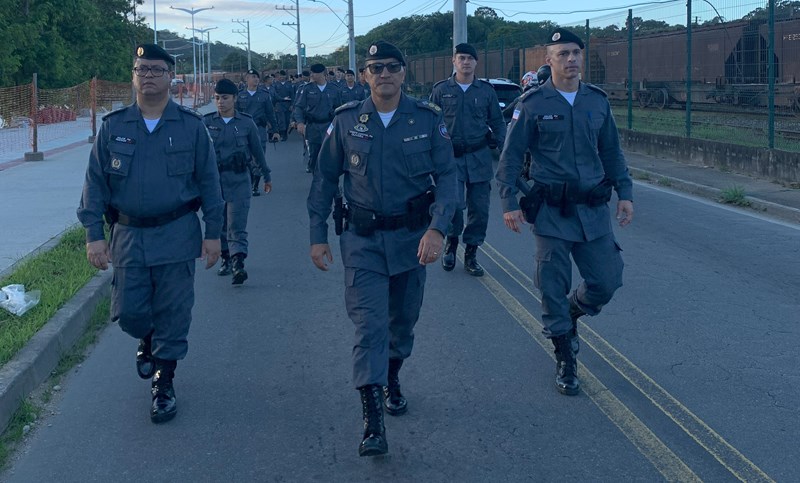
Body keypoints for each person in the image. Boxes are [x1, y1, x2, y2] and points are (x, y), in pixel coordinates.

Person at [307, 40, 457, 457]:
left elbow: (448, 177)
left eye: (392, 67)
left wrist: (438, 229)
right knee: (369, 326)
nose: (384, 74)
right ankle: (372, 420)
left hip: (413, 242)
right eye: (376, 67)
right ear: (365, 75)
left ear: (404, 73)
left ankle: (392, 375)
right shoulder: (347, 121)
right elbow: (323, 180)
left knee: (402, 323)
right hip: (362, 241)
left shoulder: (427, 120)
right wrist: (317, 234)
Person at [77, 44, 224, 424]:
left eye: (156, 69)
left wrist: (214, 234)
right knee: (129, 313)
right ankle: (147, 338)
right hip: (128, 235)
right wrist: (94, 234)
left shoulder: (191, 127)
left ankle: (164, 383)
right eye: (141, 68)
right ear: (134, 75)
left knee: (174, 311)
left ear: (171, 76)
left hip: (176, 234)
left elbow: (210, 184)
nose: (148, 76)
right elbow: (95, 184)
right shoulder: (114, 127)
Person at [495, 28, 634, 396]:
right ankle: (565, 357)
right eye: (563, 54)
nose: (571, 59)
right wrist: (509, 203)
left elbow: (612, 153)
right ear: (549, 59)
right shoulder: (533, 104)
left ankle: (574, 311)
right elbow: (509, 160)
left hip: (592, 211)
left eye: (576, 53)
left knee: (607, 279)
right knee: (551, 287)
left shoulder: (596, 101)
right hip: (552, 213)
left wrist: (625, 192)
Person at [429, 42, 506, 277]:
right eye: (461, 58)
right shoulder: (441, 90)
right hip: (451, 159)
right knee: (453, 206)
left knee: (480, 209)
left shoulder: (485, 91)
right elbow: (430, 123)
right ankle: (451, 244)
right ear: (454, 61)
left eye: (470, 58)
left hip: (479, 157)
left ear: (476, 63)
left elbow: (497, 122)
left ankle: (471, 252)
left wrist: (505, 151)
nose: (465, 62)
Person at [205, 79, 273, 285]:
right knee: (220, 225)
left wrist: (266, 176)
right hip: (215, 184)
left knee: (236, 224)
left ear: (235, 98)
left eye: (225, 98)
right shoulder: (206, 123)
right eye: (217, 98)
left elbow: (257, 153)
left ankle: (238, 263)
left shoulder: (246, 123)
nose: (220, 102)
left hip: (239, 180)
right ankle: (226, 258)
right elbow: (197, 156)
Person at [236, 69, 279, 196]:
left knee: (259, 157)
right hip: (243, 131)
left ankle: (255, 185)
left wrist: (275, 130)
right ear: (246, 79)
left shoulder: (264, 95)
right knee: (246, 157)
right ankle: (248, 183)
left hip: (259, 129)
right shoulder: (240, 95)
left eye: (257, 77)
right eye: (252, 76)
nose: (255, 79)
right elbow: (235, 114)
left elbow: (270, 114)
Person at [293, 63, 342, 173]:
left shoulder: (334, 89)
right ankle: (315, 175)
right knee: (314, 154)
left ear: (322, 74)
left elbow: (339, 108)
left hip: (329, 126)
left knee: (330, 155)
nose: (312, 75)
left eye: (314, 73)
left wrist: (340, 125)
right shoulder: (307, 89)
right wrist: (300, 123)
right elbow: (299, 107)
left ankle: (331, 186)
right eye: (311, 72)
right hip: (313, 126)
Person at [273, 70, 295, 141]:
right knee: (281, 120)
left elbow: (292, 95)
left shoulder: (289, 84)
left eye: (283, 76)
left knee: (287, 120)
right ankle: (282, 134)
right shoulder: (276, 85)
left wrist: (292, 105)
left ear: (285, 76)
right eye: (280, 76)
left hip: (287, 105)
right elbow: (274, 95)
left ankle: (285, 133)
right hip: (279, 105)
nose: (281, 77)